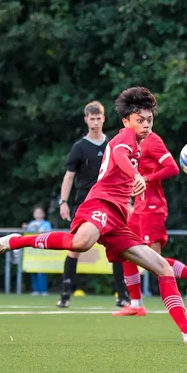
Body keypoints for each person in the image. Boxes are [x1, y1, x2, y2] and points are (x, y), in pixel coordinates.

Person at [0, 87, 187, 345]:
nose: (146, 125)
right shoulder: (125, 136)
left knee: (163, 267)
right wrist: (136, 176)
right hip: (100, 203)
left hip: (117, 218)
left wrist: (132, 190)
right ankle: (15, 241)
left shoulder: (138, 143)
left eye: (150, 120)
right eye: (140, 120)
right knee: (81, 243)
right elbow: (118, 155)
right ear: (126, 121)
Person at [114, 130, 187, 316]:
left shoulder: (153, 140)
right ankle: (136, 303)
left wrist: (146, 178)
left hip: (153, 208)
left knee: (154, 261)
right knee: (125, 251)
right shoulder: (131, 141)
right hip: (139, 207)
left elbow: (172, 168)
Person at [57, 100, 128, 308]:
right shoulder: (79, 147)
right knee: (75, 246)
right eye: (92, 118)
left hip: (107, 201)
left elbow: (121, 173)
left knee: (117, 246)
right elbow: (69, 177)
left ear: (104, 119)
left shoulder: (112, 144)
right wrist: (63, 202)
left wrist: (127, 201)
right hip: (84, 202)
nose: (95, 122)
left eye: (99, 118)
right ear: (86, 119)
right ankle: (65, 294)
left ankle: (122, 295)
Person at [22, 205, 53, 296]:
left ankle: (44, 290)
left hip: (42, 251)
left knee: (42, 271)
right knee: (33, 271)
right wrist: (25, 227)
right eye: (36, 213)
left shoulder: (47, 224)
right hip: (32, 251)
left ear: (43, 214)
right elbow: (27, 233)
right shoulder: (31, 224)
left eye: (40, 213)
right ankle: (36, 290)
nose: (38, 214)